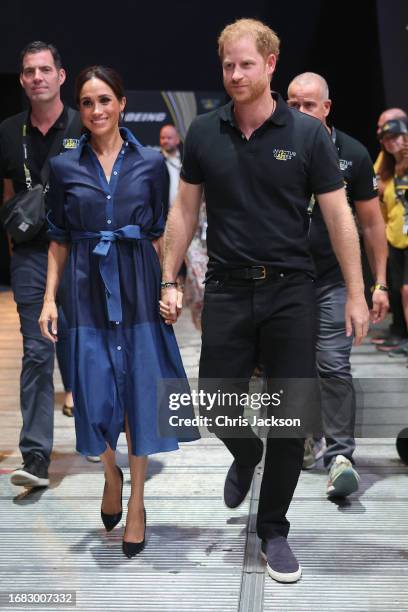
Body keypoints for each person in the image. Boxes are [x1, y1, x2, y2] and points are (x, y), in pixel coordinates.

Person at [160, 18, 369, 583]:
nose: (235, 74)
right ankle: (244, 454)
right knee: (214, 401)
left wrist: (355, 292)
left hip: (291, 292)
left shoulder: (304, 135)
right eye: (228, 64)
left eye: (246, 64)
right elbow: (184, 212)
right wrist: (167, 277)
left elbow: (338, 215)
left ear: (270, 65)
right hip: (227, 288)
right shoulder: (204, 133)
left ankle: (274, 530)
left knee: (290, 417)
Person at [39, 65, 198, 558]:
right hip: (85, 290)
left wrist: (171, 284)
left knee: (142, 391)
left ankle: (138, 504)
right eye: (87, 103)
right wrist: (48, 298)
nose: (97, 110)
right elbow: (59, 239)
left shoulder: (150, 162)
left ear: (122, 103)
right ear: (80, 110)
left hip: (138, 285)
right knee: (94, 392)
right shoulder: (65, 166)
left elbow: (159, 233)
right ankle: (111, 471)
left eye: (105, 99)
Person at [287, 72, 389, 496]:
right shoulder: (273, 150)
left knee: (331, 361)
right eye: (292, 104)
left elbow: (370, 222)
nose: (300, 111)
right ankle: (306, 436)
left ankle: (341, 456)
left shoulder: (353, 153)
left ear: (326, 108)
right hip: (285, 279)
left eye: (309, 104)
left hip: (332, 280)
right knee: (294, 368)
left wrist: (377, 284)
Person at [0, 41, 82, 488]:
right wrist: (15, 236)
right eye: (29, 71)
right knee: (36, 351)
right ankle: (35, 457)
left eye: (45, 69)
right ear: (22, 79)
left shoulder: (84, 124)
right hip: (32, 254)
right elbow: (10, 190)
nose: (37, 77)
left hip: (81, 251)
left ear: (60, 76)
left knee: (83, 346)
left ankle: (100, 438)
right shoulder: (10, 131)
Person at [373, 108, 408, 352]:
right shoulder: (385, 165)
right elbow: (375, 189)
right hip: (394, 235)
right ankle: (400, 333)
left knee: (406, 290)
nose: (390, 141)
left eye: (395, 135)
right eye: (385, 138)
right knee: (398, 288)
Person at [159, 124, 182, 213]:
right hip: (165, 216)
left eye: (169, 138)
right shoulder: (156, 161)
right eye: (162, 138)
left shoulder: (187, 158)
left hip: (186, 214)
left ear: (177, 139)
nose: (165, 141)